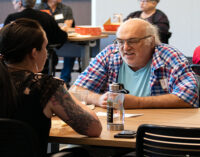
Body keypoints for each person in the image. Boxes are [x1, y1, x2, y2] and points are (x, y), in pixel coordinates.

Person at [0, 18, 102, 156]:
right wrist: (62, 90)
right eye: (45, 47)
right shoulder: (44, 86)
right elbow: (94, 128)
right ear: (34, 53)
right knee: (80, 153)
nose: (46, 53)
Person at [70, 18, 199, 109]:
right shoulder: (110, 54)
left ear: (151, 41)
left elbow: (190, 96)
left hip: (155, 131)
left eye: (133, 41)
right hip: (113, 130)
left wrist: (137, 102)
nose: (125, 48)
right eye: (120, 41)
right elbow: (75, 91)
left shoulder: (169, 57)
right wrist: (98, 100)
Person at [4, 0, 67, 74]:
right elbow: (60, 37)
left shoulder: (12, 19)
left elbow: (5, 41)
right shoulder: (46, 17)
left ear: (20, 3)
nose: (13, 3)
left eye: (14, 1)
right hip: (43, 62)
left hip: (15, 62)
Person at [35, 0, 75, 87]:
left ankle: (64, 81)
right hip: (44, 40)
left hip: (61, 39)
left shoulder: (66, 9)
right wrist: (58, 27)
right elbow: (36, 26)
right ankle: (46, 80)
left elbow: (67, 26)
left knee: (72, 51)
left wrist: (52, 27)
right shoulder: (37, 7)